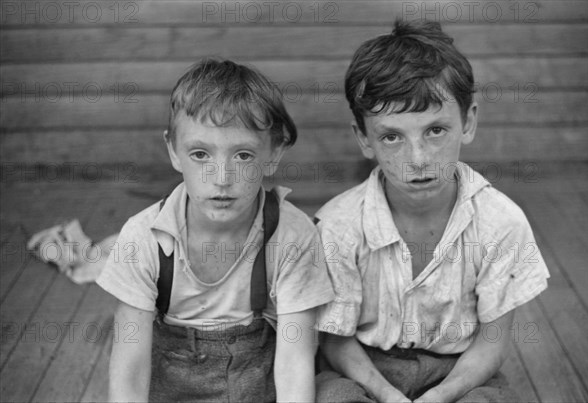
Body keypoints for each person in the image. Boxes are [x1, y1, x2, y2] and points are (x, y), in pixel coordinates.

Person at [314, 20, 550, 402]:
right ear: (364, 139)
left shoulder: (501, 223)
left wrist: (441, 396)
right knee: (332, 397)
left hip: (459, 370)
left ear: (468, 122)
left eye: (436, 130)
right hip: (364, 371)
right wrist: (386, 395)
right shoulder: (337, 227)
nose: (418, 159)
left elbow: (492, 341)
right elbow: (335, 342)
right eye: (392, 137)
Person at [89, 59, 333, 402]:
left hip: (260, 390)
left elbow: (295, 362)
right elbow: (130, 368)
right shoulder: (143, 238)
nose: (222, 177)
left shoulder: (292, 235)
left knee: (339, 394)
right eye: (201, 153)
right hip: (171, 394)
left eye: (244, 156)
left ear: (274, 154)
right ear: (174, 151)